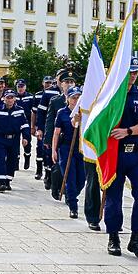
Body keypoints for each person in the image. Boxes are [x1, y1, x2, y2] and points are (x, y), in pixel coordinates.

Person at [103, 56, 138, 259]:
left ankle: (137, 238)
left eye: (135, 72)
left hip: (136, 152)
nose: (133, 76)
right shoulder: (110, 92)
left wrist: (129, 131)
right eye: (129, 72)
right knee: (114, 197)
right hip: (114, 153)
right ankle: (113, 236)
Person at [0, 89, 30, 192]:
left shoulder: (20, 110)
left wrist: (26, 137)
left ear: (15, 99)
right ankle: (1, 182)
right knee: (1, 159)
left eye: (12, 97)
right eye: (8, 98)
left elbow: (24, 125)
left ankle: (8, 181)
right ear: (4, 99)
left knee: (12, 160)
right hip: (0, 138)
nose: (10, 100)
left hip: (14, 139)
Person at [52, 86, 84, 218]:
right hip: (66, 148)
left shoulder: (85, 113)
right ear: (68, 98)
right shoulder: (62, 112)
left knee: (81, 179)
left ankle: (71, 194)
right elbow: (56, 132)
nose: (76, 100)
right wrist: (54, 150)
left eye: (78, 97)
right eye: (73, 97)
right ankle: (73, 206)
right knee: (70, 177)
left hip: (81, 148)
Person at [44, 69, 76, 199]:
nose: (69, 84)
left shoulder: (81, 100)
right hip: (61, 140)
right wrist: (47, 139)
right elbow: (50, 121)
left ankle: (70, 193)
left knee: (73, 168)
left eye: (71, 82)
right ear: (60, 84)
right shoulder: (55, 100)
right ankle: (57, 187)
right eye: (66, 82)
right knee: (59, 165)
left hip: (75, 139)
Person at [32, 76, 59, 180]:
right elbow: (37, 112)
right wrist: (35, 127)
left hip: (59, 127)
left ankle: (51, 174)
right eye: (46, 82)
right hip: (45, 126)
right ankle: (40, 170)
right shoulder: (44, 94)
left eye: (50, 82)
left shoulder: (69, 93)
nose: (48, 84)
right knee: (42, 149)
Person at [14, 79, 35, 170]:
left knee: (27, 141)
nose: (20, 88)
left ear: (25, 87)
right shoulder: (13, 96)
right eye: (19, 87)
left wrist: (34, 125)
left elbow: (34, 111)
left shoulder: (30, 97)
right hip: (15, 122)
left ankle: (27, 156)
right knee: (15, 142)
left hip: (27, 122)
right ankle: (16, 161)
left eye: (22, 86)